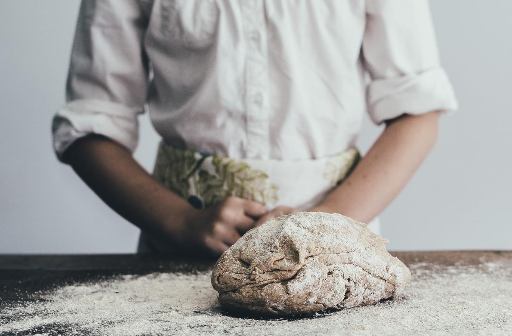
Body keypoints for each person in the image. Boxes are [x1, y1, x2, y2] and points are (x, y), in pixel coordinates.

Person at [53, 0, 458, 257]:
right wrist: (179, 222)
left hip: (337, 249)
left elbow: (416, 113)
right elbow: (90, 126)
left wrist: (321, 226)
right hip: (179, 251)